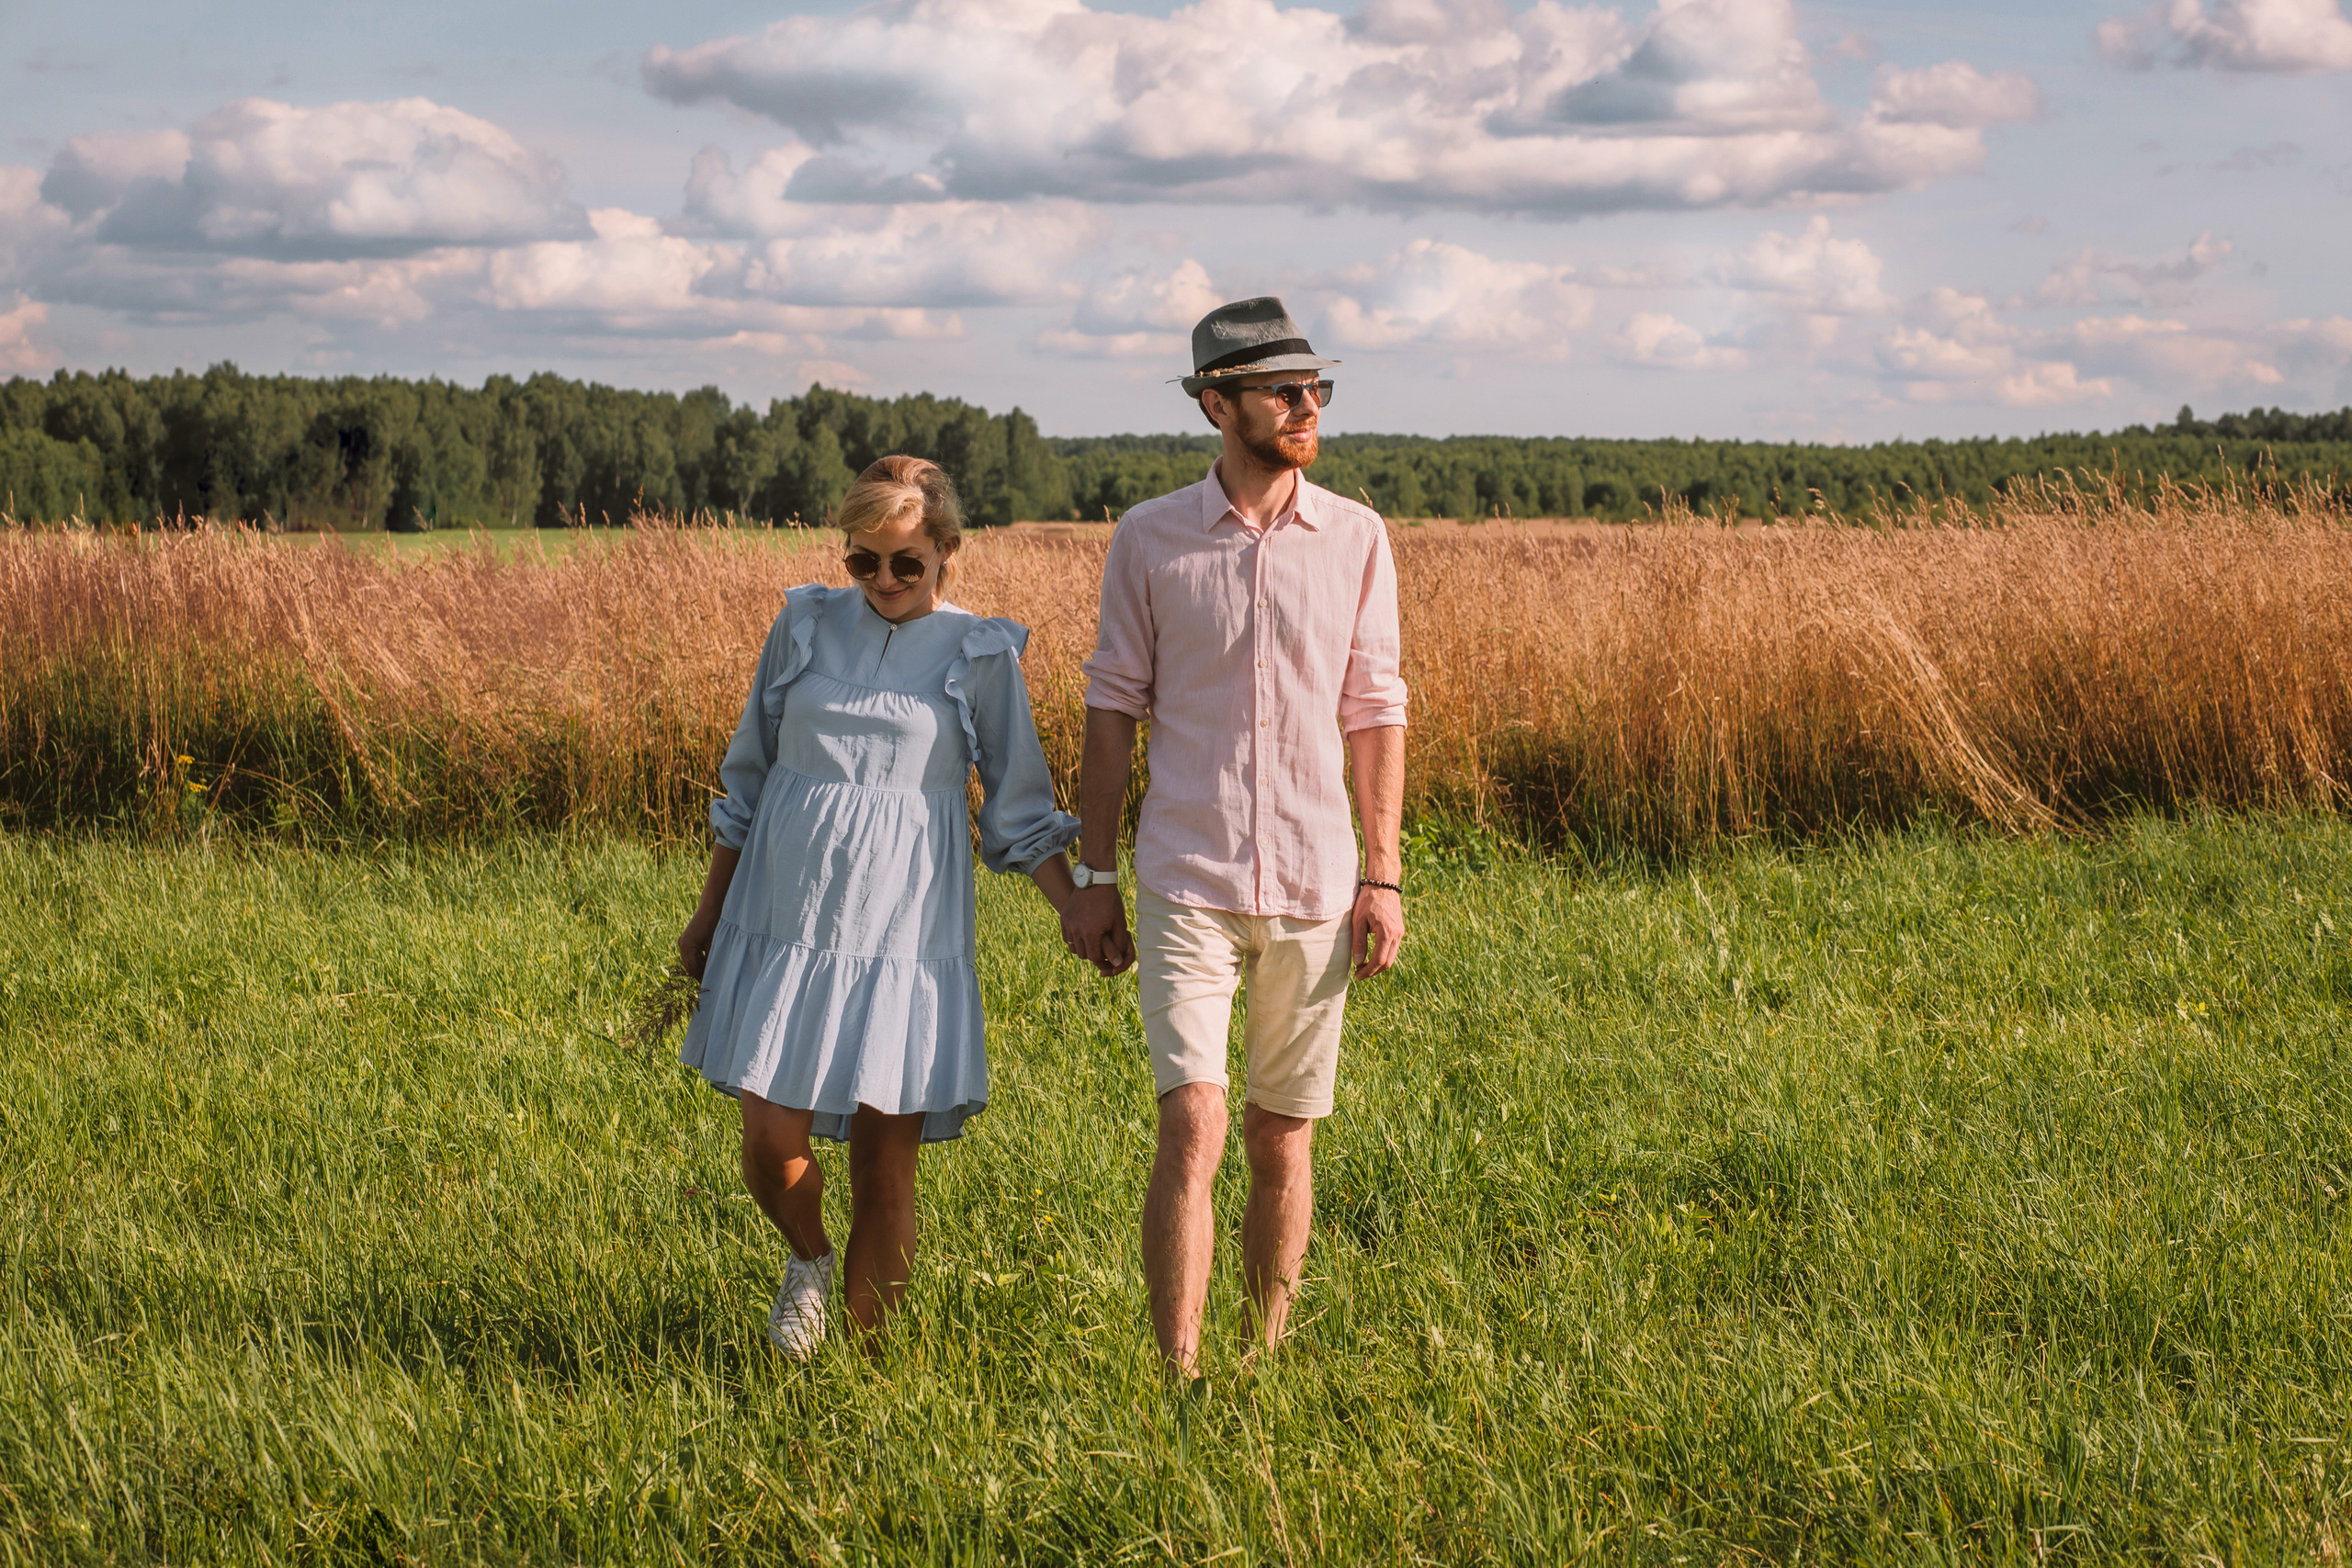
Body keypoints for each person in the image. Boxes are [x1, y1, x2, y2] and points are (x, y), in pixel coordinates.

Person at [676, 455, 1092, 1359]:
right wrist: (708, 913)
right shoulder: (803, 625)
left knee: (884, 1164)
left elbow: (1016, 805)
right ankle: (809, 1261)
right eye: (863, 562)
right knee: (768, 1140)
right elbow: (745, 777)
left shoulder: (978, 651)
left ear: (948, 553)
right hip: (782, 915)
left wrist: (1071, 905)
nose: (884, 582)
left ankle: (863, 1382)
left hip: (905, 928)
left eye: (907, 563)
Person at [1066, 297, 1408, 1378]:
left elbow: (1375, 709)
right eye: (1284, 391)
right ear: (1218, 405)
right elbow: (1112, 707)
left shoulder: (1356, 537)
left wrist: (1383, 877)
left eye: (1317, 390)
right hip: (1186, 877)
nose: (1308, 406)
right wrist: (1092, 872)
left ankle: (1260, 1365)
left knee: (1280, 1136)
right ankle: (1177, 1374)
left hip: (1315, 880)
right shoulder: (1151, 539)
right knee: (1195, 1126)